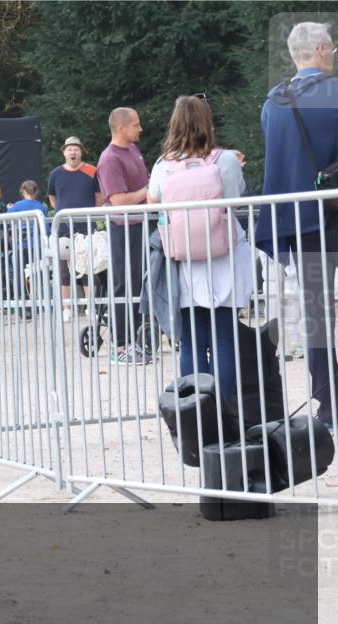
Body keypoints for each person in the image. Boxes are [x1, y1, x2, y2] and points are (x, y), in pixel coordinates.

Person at [257, 21, 338, 429]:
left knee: (317, 316)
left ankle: (330, 405)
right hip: (333, 211)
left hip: (303, 221)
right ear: (322, 49)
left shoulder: (274, 102)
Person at [147, 95, 252, 400]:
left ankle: (195, 414)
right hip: (224, 255)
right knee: (224, 338)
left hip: (185, 259)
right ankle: (226, 415)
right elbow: (234, 199)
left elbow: (155, 200)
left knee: (192, 341)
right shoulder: (226, 160)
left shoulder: (163, 165)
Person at [97, 107, 152, 365]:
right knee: (123, 284)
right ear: (121, 128)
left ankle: (136, 342)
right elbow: (118, 201)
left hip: (140, 225)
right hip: (122, 227)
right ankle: (120, 345)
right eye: (136, 124)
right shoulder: (109, 159)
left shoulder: (133, 151)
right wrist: (148, 190)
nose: (140, 129)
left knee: (139, 284)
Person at [47, 136, 104, 321]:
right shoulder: (55, 174)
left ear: (81, 151)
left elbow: (99, 197)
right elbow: (53, 198)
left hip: (87, 226)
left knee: (89, 268)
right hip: (64, 227)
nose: (73, 152)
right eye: (69, 149)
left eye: (76, 149)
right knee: (64, 270)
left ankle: (91, 307)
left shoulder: (92, 171)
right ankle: (66, 308)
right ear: (64, 152)